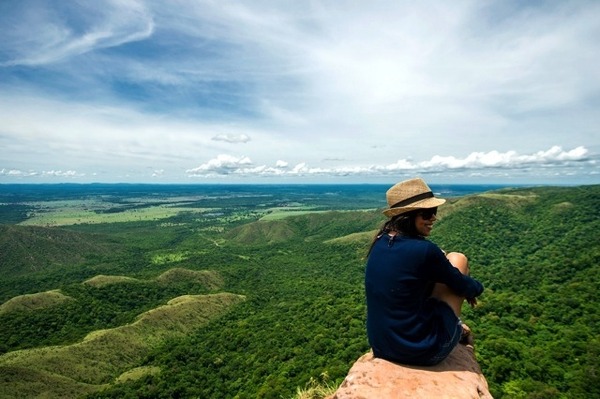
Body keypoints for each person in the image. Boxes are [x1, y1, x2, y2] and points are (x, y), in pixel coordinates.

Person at [365, 177, 484, 366]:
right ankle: (455, 328)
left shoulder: (380, 241)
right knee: (458, 259)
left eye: (433, 212)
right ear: (409, 216)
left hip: (382, 347)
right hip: (424, 352)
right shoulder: (424, 250)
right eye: (427, 213)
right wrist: (475, 288)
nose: (433, 218)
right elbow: (464, 285)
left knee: (444, 263)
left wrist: (439, 264)